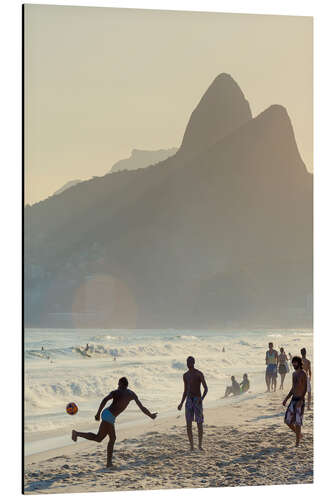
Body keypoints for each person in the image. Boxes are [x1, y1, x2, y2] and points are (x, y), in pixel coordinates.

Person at [72, 377, 157, 468]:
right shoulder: (131, 394)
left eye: (119, 384)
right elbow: (142, 407)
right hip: (108, 416)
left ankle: (77, 434)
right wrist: (150, 415)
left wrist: (98, 413)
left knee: (99, 438)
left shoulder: (117, 392)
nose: (118, 386)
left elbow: (105, 400)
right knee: (111, 438)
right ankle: (109, 463)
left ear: (123, 385)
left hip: (108, 415)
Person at [177, 356, 208, 451]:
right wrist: (181, 403)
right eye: (187, 362)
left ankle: (199, 445)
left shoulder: (199, 374)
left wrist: (201, 399)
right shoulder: (185, 375)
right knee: (188, 424)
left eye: (189, 362)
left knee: (199, 423)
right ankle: (191, 446)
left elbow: (206, 388)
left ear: (193, 363)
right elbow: (185, 390)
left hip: (197, 399)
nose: (188, 364)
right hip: (189, 400)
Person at [283, 356, 307, 447]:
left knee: (297, 422)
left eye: (295, 362)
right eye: (293, 363)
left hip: (300, 401)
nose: (294, 364)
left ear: (299, 363)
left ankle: (297, 442)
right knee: (287, 421)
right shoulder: (294, 374)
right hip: (293, 400)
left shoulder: (303, 373)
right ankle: (299, 435)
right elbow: (293, 388)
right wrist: (286, 398)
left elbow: (305, 388)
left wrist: (301, 400)